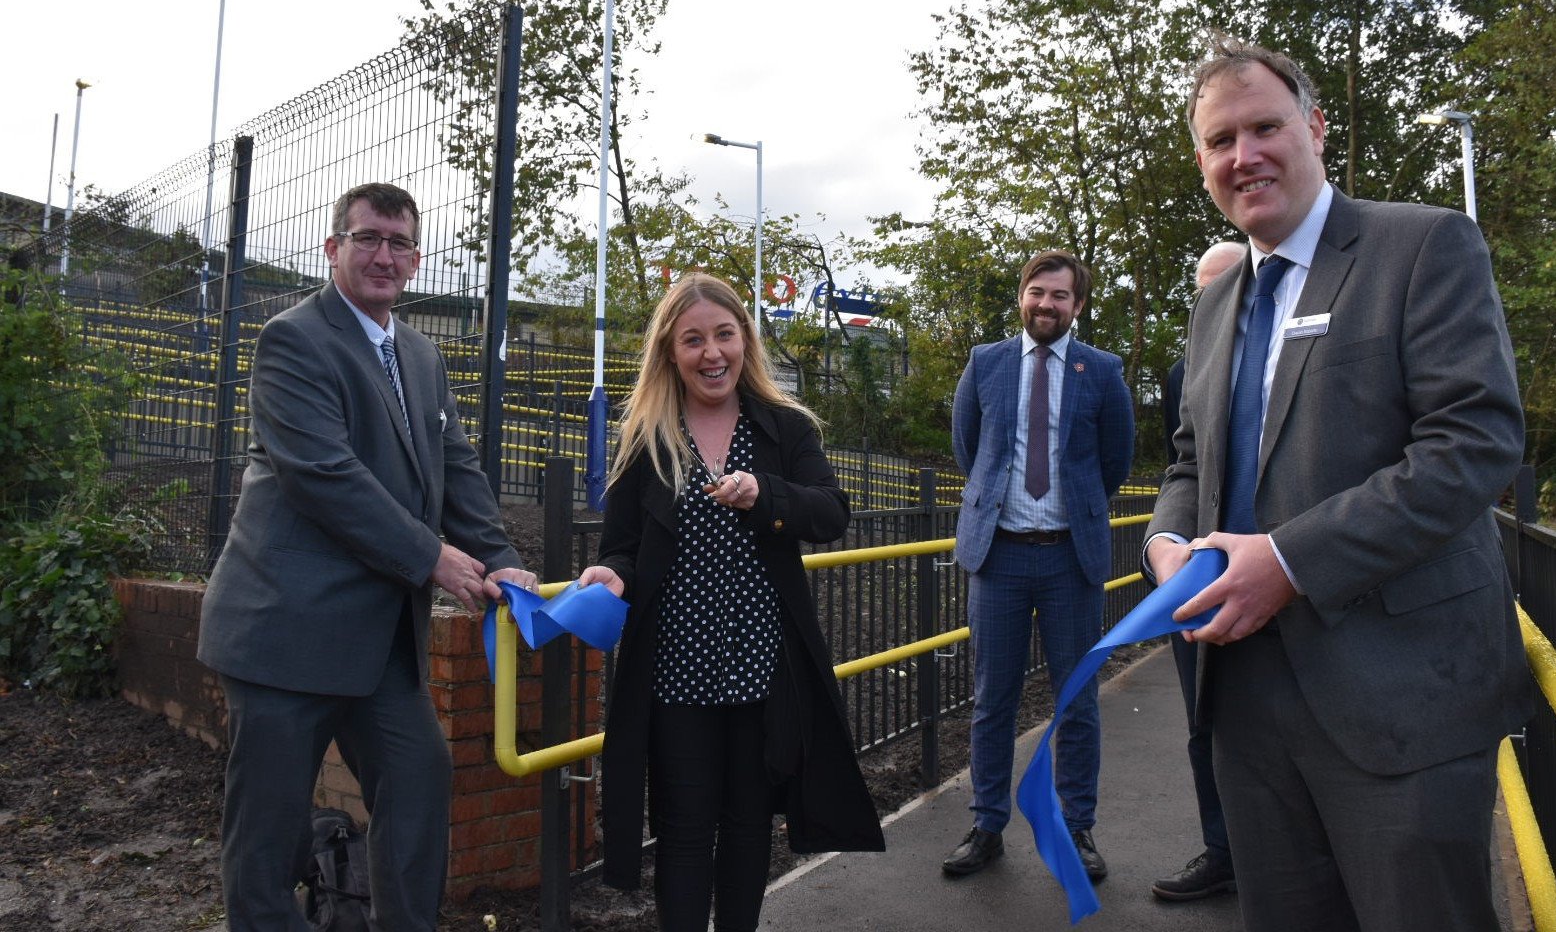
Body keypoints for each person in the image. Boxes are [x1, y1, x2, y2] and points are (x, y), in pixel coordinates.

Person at [1145, 35, 1531, 931]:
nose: (1244, 156)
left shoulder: (1426, 243)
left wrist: (1287, 559)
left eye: (1265, 126)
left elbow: (1473, 445)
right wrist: (1167, 543)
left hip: (1402, 703)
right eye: (1219, 141)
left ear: (1315, 128)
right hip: (1244, 704)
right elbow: (1190, 460)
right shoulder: (1213, 304)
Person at [198, 181, 536, 930]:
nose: (385, 255)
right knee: (267, 838)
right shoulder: (293, 339)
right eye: (368, 239)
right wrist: (435, 560)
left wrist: (499, 556)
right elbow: (325, 476)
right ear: (333, 249)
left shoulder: (420, 356)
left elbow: (458, 469)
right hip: (285, 634)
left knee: (419, 780)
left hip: (379, 645)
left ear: (416, 260)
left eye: (400, 243)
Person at [576, 272, 883, 932]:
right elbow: (622, 546)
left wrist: (764, 497)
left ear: (745, 338)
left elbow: (831, 513)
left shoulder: (784, 428)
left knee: (748, 828)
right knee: (685, 834)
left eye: (724, 334)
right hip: (676, 674)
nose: (712, 352)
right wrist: (610, 574)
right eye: (693, 340)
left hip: (763, 669)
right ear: (670, 352)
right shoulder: (647, 438)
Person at [940, 251, 1135, 880]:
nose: (1045, 305)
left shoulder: (1102, 371)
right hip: (997, 558)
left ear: (1078, 306)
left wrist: (1070, 511)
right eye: (1035, 292)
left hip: (1068, 561)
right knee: (992, 700)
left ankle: (1078, 830)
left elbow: (1115, 462)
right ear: (1021, 297)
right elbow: (970, 449)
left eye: (1059, 296)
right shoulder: (985, 362)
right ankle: (987, 825)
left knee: (1075, 701)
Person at [1153, 239, 1244, 903]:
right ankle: (1224, 851)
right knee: (1204, 723)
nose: (1221, 301)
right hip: (1201, 583)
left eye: (1232, 284)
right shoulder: (1186, 371)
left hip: (1285, 577)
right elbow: (1181, 464)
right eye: (1207, 292)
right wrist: (1165, 537)